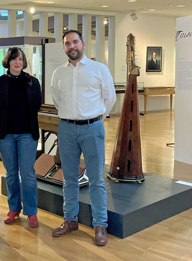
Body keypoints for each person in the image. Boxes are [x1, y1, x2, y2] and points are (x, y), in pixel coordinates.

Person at [50, 30, 116, 246]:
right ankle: (70, 220)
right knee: (69, 179)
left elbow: (110, 99)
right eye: (67, 43)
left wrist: (95, 118)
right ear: (64, 47)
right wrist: (73, 117)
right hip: (67, 129)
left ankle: (100, 224)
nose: (72, 46)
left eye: (75, 42)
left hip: (92, 128)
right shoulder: (58, 73)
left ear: (83, 44)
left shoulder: (99, 69)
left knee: (96, 179)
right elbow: (58, 100)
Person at [0, 47, 42, 228]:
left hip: (28, 134)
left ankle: (31, 211)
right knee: (11, 174)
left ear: (24, 61)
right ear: (8, 61)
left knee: (27, 174)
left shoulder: (33, 82)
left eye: (20, 58)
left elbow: (37, 104)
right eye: (14, 59)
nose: (17, 62)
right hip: (5, 135)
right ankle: (14, 208)